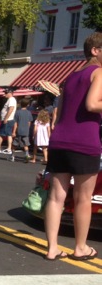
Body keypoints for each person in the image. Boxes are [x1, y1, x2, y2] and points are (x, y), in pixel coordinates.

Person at [44, 32, 102, 261]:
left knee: (56, 197)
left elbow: (60, 114)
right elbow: (92, 103)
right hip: (84, 140)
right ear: (95, 51)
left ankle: (52, 248)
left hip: (60, 140)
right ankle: (80, 247)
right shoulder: (98, 72)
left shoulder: (71, 76)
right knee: (82, 198)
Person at [0, 88, 17, 154]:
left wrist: (6, 118)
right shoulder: (10, 100)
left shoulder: (11, 100)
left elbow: (11, 109)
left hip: (8, 119)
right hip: (8, 119)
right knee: (8, 134)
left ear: (10, 93)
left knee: (1, 134)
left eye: (6, 93)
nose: (5, 94)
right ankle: (8, 148)